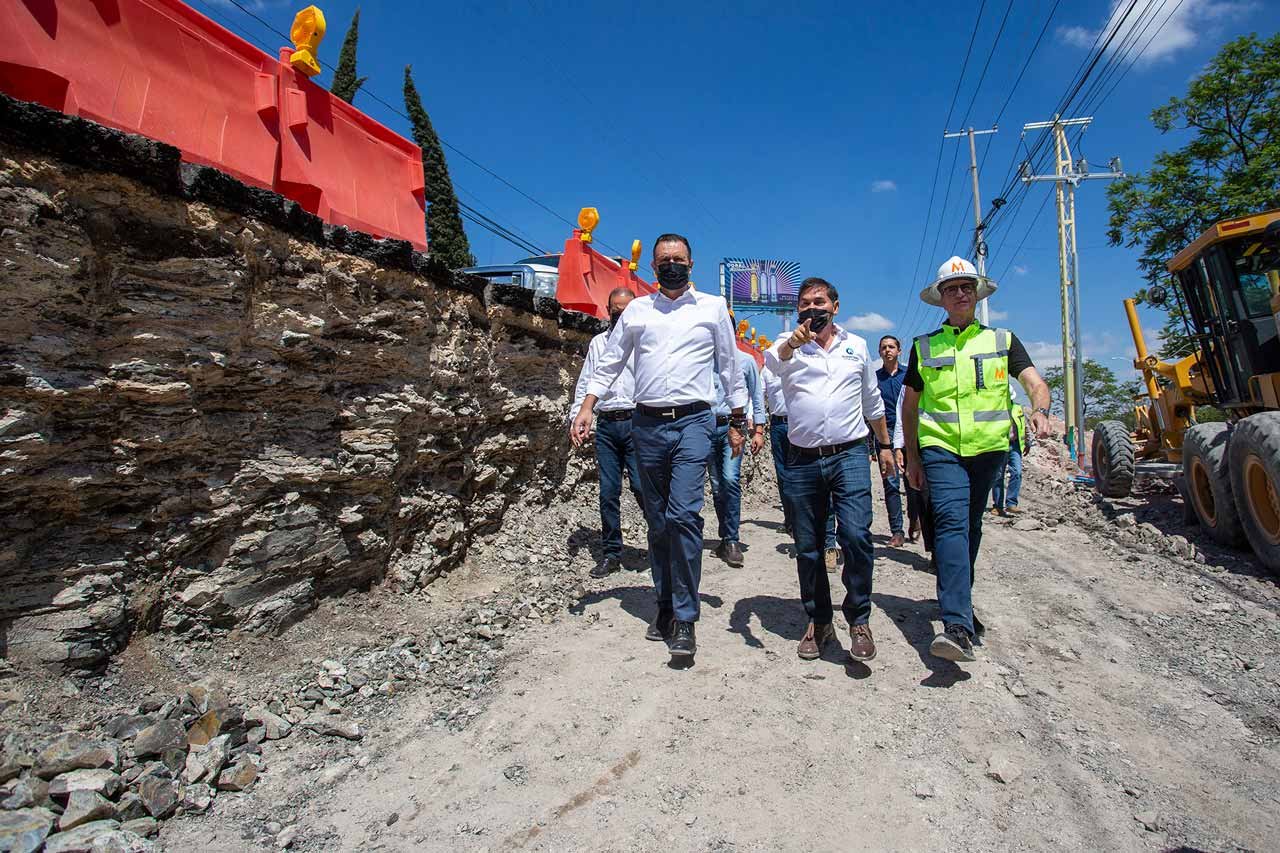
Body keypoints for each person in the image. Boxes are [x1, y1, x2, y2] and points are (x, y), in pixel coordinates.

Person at [571, 234, 746, 660]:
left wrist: (740, 419)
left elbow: (729, 363)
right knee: (658, 520)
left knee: (684, 515)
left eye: (678, 259)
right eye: (663, 259)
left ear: (691, 263)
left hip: (694, 421)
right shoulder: (636, 311)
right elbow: (610, 361)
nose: (671, 264)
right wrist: (587, 407)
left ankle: (685, 617)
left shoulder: (711, 308)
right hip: (645, 423)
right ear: (653, 267)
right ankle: (665, 603)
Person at [901, 256, 1051, 664]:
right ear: (942, 299)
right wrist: (912, 456)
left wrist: (1039, 409)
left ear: (976, 293)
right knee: (950, 523)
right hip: (941, 448)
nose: (961, 293)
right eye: (952, 288)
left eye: (967, 287)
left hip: (988, 451)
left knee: (970, 526)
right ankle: (957, 626)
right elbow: (910, 407)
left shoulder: (1002, 341)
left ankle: (959, 602)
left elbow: (1035, 383)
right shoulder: (924, 346)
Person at [765, 278, 896, 662]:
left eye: (818, 302)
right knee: (807, 547)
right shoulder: (786, 346)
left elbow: (872, 401)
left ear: (835, 306)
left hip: (850, 454)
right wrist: (794, 341)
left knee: (856, 536)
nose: (811, 309)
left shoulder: (856, 346)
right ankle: (819, 619)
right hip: (802, 459)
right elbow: (772, 362)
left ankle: (858, 618)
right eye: (804, 304)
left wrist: (885, 446)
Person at [569, 287, 643, 578]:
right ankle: (612, 553)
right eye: (616, 309)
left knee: (641, 486)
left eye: (626, 309)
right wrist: (577, 416)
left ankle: (663, 544)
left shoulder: (644, 342)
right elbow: (587, 381)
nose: (620, 314)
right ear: (608, 309)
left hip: (638, 423)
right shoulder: (598, 344)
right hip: (608, 425)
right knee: (608, 492)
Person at [763, 364, 840, 572]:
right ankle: (798, 529)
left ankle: (829, 545)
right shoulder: (768, 369)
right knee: (789, 482)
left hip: (807, 428)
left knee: (824, 485)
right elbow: (759, 396)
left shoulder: (810, 364)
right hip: (779, 426)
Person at [708, 344, 766, 567]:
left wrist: (758, 430)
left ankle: (732, 540)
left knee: (730, 479)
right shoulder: (702, 360)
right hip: (706, 428)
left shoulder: (746, 361)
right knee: (715, 485)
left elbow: (757, 396)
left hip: (734, 427)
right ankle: (725, 536)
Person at [875, 335, 909, 547]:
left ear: (899, 350)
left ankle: (916, 520)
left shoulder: (909, 376)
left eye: (891, 347)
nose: (887, 350)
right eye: (883, 347)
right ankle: (897, 531)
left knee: (915, 484)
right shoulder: (875, 378)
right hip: (885, 435)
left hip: (909, 432)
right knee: (891, 484)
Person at [991, 394, 1030, 516]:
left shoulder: (1017, 408)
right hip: (1000, 445)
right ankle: (997, 506)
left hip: (1015, 445)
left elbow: (1024, 426)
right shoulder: (995, 408)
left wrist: (1028, 442)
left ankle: (1011, 504)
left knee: (1017, 473)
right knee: (998, 476)